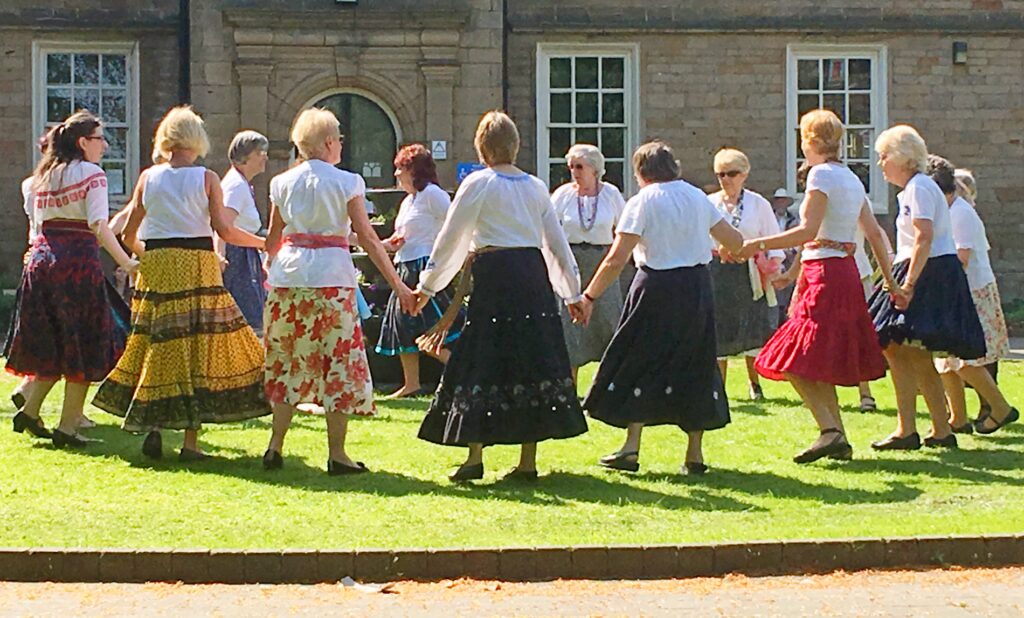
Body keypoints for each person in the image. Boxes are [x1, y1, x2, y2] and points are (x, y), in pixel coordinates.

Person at [412, 111, 588, 482]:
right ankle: (527, 461)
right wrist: (572, 292)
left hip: (494, 278)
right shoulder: (536, 187)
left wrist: (428, 286)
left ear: (482, 148)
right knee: (532, 359)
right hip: (531, 277)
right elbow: (555, 245)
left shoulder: (478, 184)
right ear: (515, 145)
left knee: (482, 358)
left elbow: (451, 238)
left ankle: (475, 456)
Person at [92, 105, 270, 460]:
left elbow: (128, 234)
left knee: (158, 344)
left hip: (157, 265)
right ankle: (190, 443)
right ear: (196, 138)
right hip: (197, 264)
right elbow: (224, 229)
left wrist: (152, 253)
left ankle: (154, 426)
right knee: (199, 347)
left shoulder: (148, 177)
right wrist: (265, 242)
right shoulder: (207, 178)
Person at [261, 108, 416, 474]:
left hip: (289, 279)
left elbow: (273, 239)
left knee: (286, 359)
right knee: (338, 363)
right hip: (331, 279)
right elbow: (366, 236)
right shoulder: (347, 182)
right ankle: (337, 453)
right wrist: (398, 284)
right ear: (330, 142)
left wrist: (273, 267)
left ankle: (275, 444)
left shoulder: (281, 183)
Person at [580, 141, 744, 474]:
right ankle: (693, 454)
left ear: (641, 172)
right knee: (696, 362)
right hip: (695, 287)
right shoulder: (697, 196)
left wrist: (589, 296)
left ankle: (631, 447)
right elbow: (735, 240)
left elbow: (616, 259)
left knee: (639, 360)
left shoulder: (642, 201)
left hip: (655, 287)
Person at [739, 109, 892, 463]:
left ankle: (829, 430)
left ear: (810, 141)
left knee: (792, 357)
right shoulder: (851, 178)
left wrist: (758, 244)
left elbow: (807, 231)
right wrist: (891, 280)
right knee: (819, 357)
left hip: (824, 275)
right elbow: (873, 234)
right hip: (843, 272)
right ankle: (837, 436)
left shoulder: (820, 175)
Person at [6, 111, 139, 447]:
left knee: (52, 340)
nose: (105, 146)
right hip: (76, 261)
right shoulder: (92, 174)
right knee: (84, 340)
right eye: (100, 139)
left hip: (41, 261)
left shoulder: (41, 177)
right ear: (83, 142)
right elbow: (98, 224)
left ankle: (31, 408)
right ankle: (67, 426)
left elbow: (37, 227)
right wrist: (126, 262)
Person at [867, 125, 987, 451]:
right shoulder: (913, 189)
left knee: (905, 346)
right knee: (903, 348)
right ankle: (925, 428)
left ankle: (921, 428)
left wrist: (907, 284)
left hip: (927, 269)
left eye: (884, 156)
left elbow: (923, 236)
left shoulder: (919, 187)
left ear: (903, 158)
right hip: (924, 267)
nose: (880, 164)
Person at [927, 158, 1017, 434]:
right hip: (955, 293)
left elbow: (961, 259)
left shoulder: (960, 214)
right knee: (944, 361)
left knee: (964, 360)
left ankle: (1000, 408)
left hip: (971, 293)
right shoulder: (949, 211)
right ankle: (958, 418)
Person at [375, 144, 464, 398]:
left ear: (414, 170)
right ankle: (411, 383)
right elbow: (398, 238)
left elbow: (453, 227)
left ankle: (460, 370)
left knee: (431, 326)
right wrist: (377, 243)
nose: (396, 175)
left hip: (425, 268)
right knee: (402, 326)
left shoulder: (433, 195)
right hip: (403, 266)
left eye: (400, 169)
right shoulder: (407, 202)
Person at [708, 148, 784, 401]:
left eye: (731, 173)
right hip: (717, 271)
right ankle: (720, 385)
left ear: (744, 175)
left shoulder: (758, 203)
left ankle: (755, 383)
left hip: (749, 272)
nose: (726, 179)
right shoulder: (709, 203)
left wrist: (772, 268)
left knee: (753, 324)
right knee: (719, 327)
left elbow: (772, 237)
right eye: (721, 174)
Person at [550, 144, 627, 382]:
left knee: (608, 323)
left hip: (603, 264)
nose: (574, 171)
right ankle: (569, 390)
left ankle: (607, 389)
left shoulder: (611, 194)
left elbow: (624, 228)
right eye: (571, 166)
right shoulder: (562, 194)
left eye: (579, 166)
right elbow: (550, 229)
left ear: (595, 169)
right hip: (571, 263)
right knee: (569, 329)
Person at [218, 130, 270, 336]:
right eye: (260, 152)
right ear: (246, 157)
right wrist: (262, 243)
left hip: (244, 256)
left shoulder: (241, 183)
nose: (265, 156)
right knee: (246, 323)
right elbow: (222, 226)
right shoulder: (235, 186)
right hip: (238, 260)